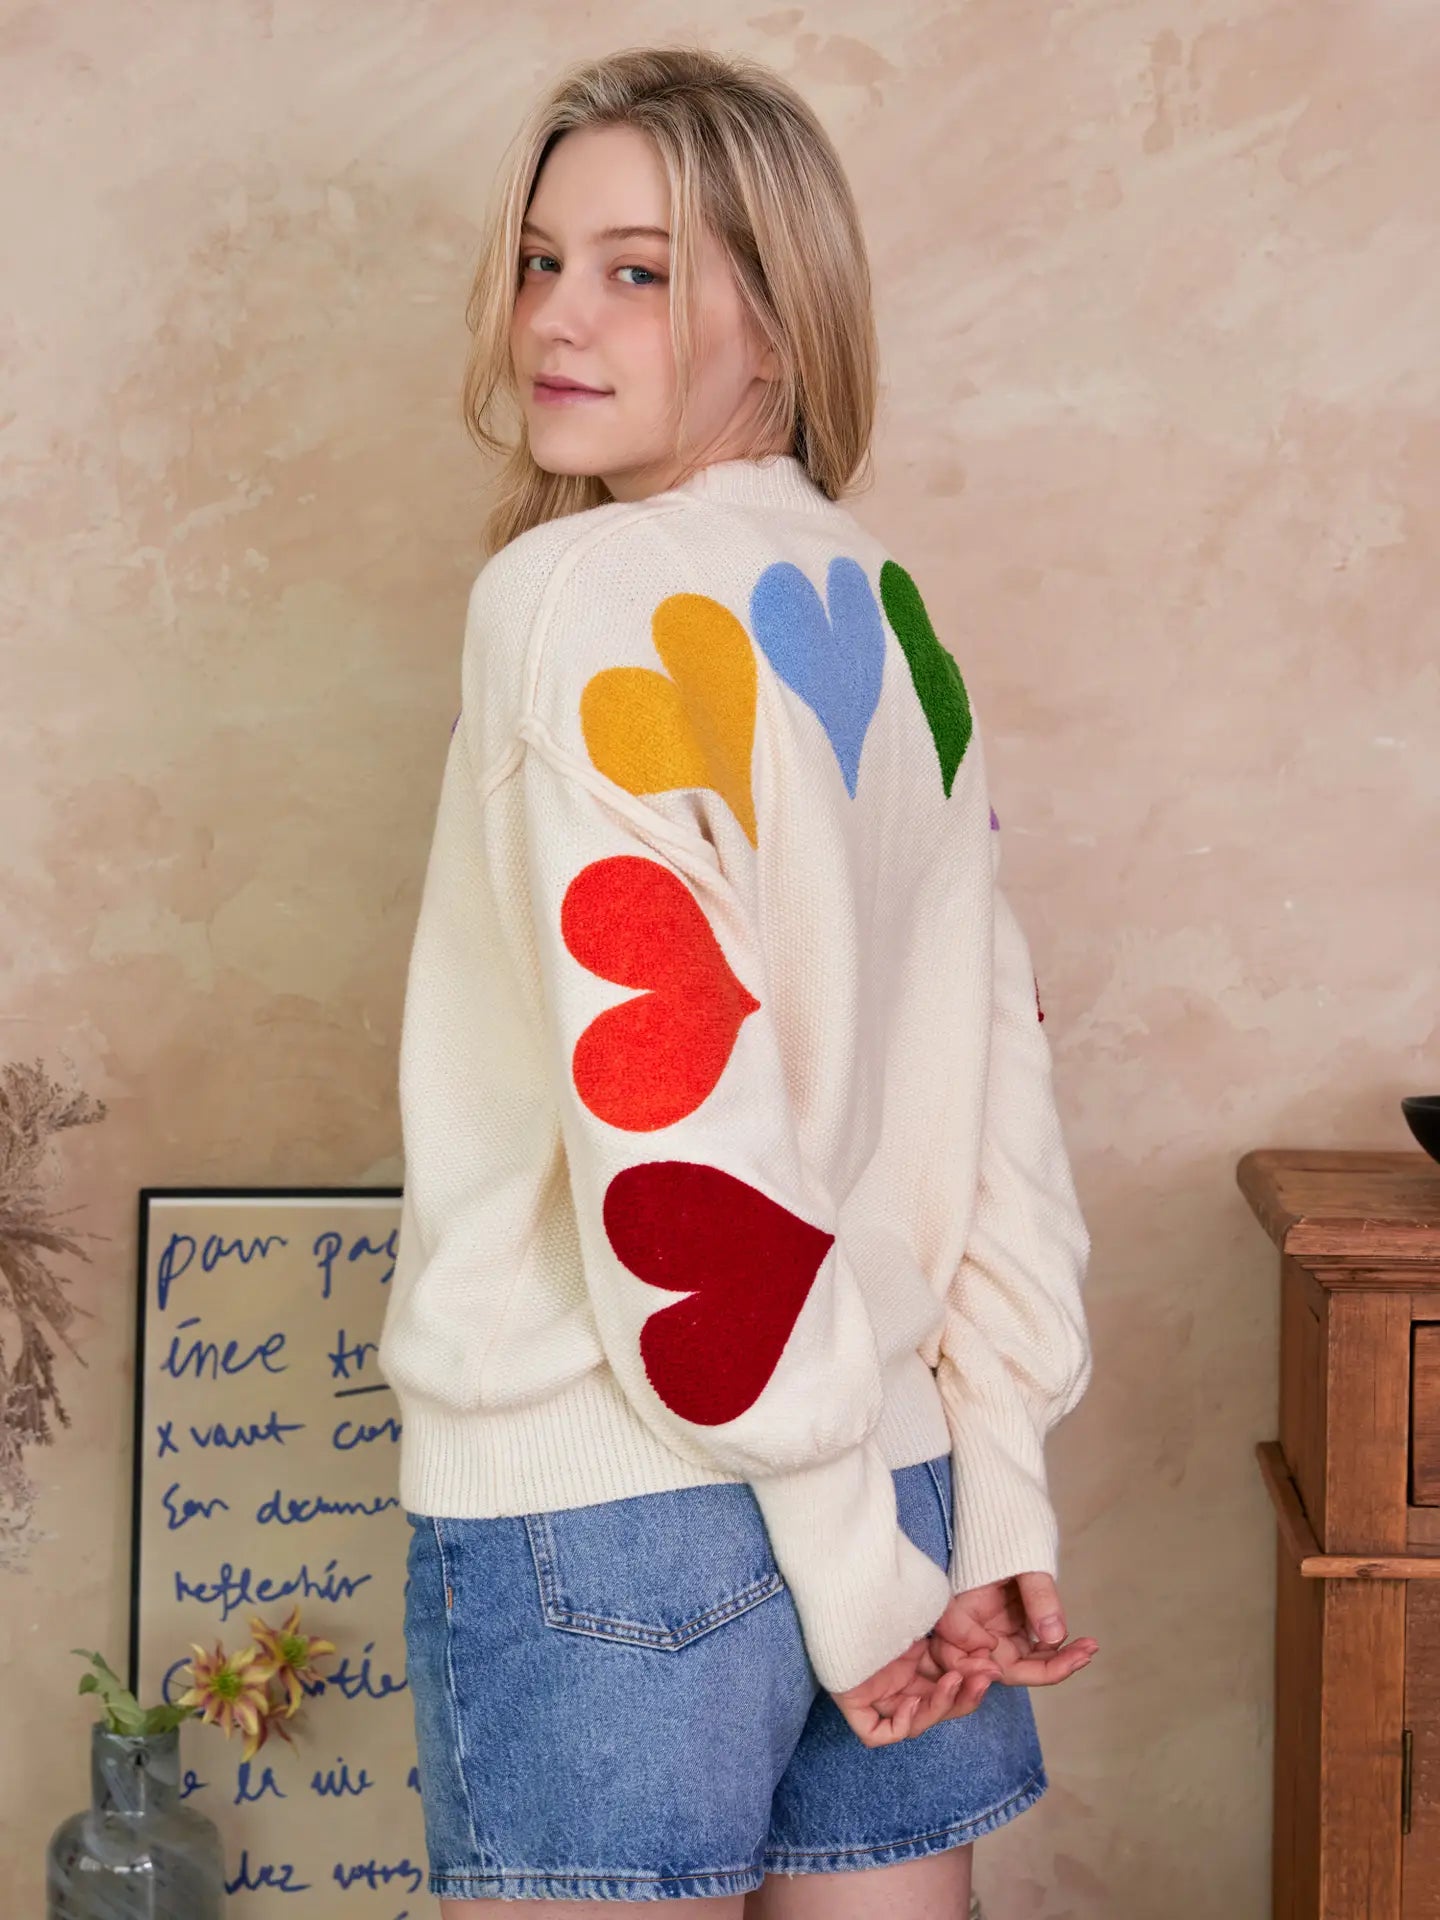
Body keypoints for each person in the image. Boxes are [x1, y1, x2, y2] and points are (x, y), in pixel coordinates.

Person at [376, 44, 1098, 1920]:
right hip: (902, 1474)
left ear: (780, 324)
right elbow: (1001, 1090)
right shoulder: (888, 612)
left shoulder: (573, 596)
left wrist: (852, 1568)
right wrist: (984, 1497)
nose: (558, 318)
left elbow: (668, 1116)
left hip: (621, 1508)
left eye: (639, 270)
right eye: (542, 262)